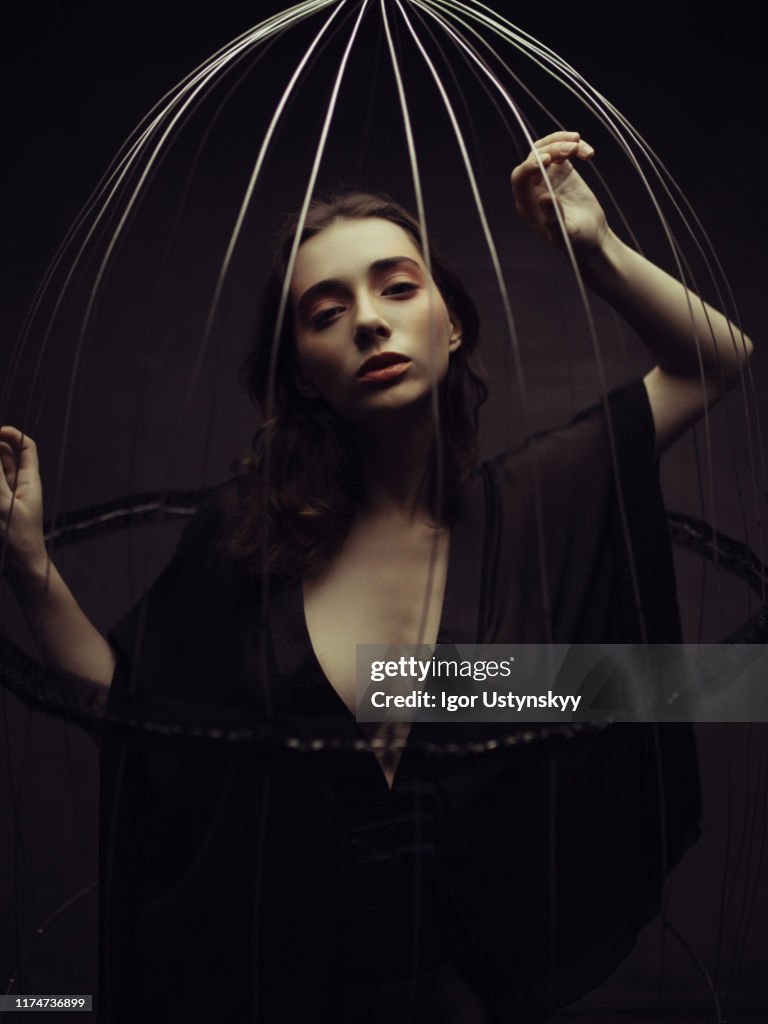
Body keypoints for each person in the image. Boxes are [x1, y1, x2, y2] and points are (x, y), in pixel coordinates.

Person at [0, 130, 753, 1022]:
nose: (368, 319)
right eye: (325, 312)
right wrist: (30, 565)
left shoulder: (537, 497)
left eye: (399, 287)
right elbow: (133, 720)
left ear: (453, 321)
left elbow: (717, 358)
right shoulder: (248, 539)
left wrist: (592, 248)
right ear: (305, 378)